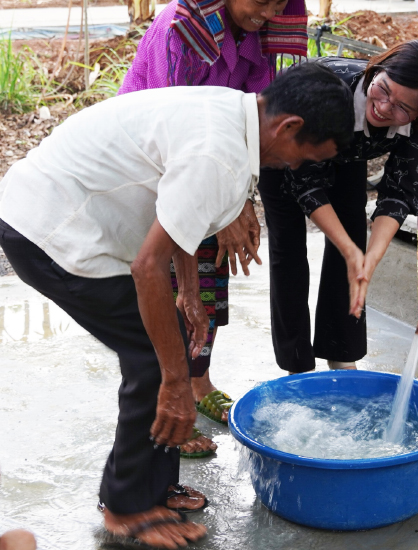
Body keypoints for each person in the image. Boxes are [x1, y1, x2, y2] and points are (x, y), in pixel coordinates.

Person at [0, 64, 353, 549]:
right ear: (288, 126)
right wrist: (174, 382)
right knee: (155, 360)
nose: (293, 168)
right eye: (302, 156)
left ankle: (154, 487)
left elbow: (181, 214)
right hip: (48, 227)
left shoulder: (236, 114)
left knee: (172, 350)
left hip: (67, 211)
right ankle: (127, 506)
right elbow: (149, 267)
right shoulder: (220, 154)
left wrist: (188, 291)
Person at [119, 0, 308, 456]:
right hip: (155, 166)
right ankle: (167, 392)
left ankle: (197, 382)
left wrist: (238, 200)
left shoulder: (258, 34)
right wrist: (226, 209)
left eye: (281, 2)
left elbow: (253, 122)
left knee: (208, 277)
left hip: (208, 164)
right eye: (263, 2)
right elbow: (180, 140)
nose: (272, 14)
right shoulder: (181, 34)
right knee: (166, 280)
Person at [260, 41, 418, 374]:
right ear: (378, 68)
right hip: (285, 153)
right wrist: (351, 252)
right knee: (289, 251)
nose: (383, 107)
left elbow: (398, 192)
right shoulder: (332, 89)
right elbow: (305, 182)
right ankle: (296, 365)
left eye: (401, 108)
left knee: (353, 237)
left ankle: (341, 351)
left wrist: (368, 257)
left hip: (349, 154)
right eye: (382, 90)